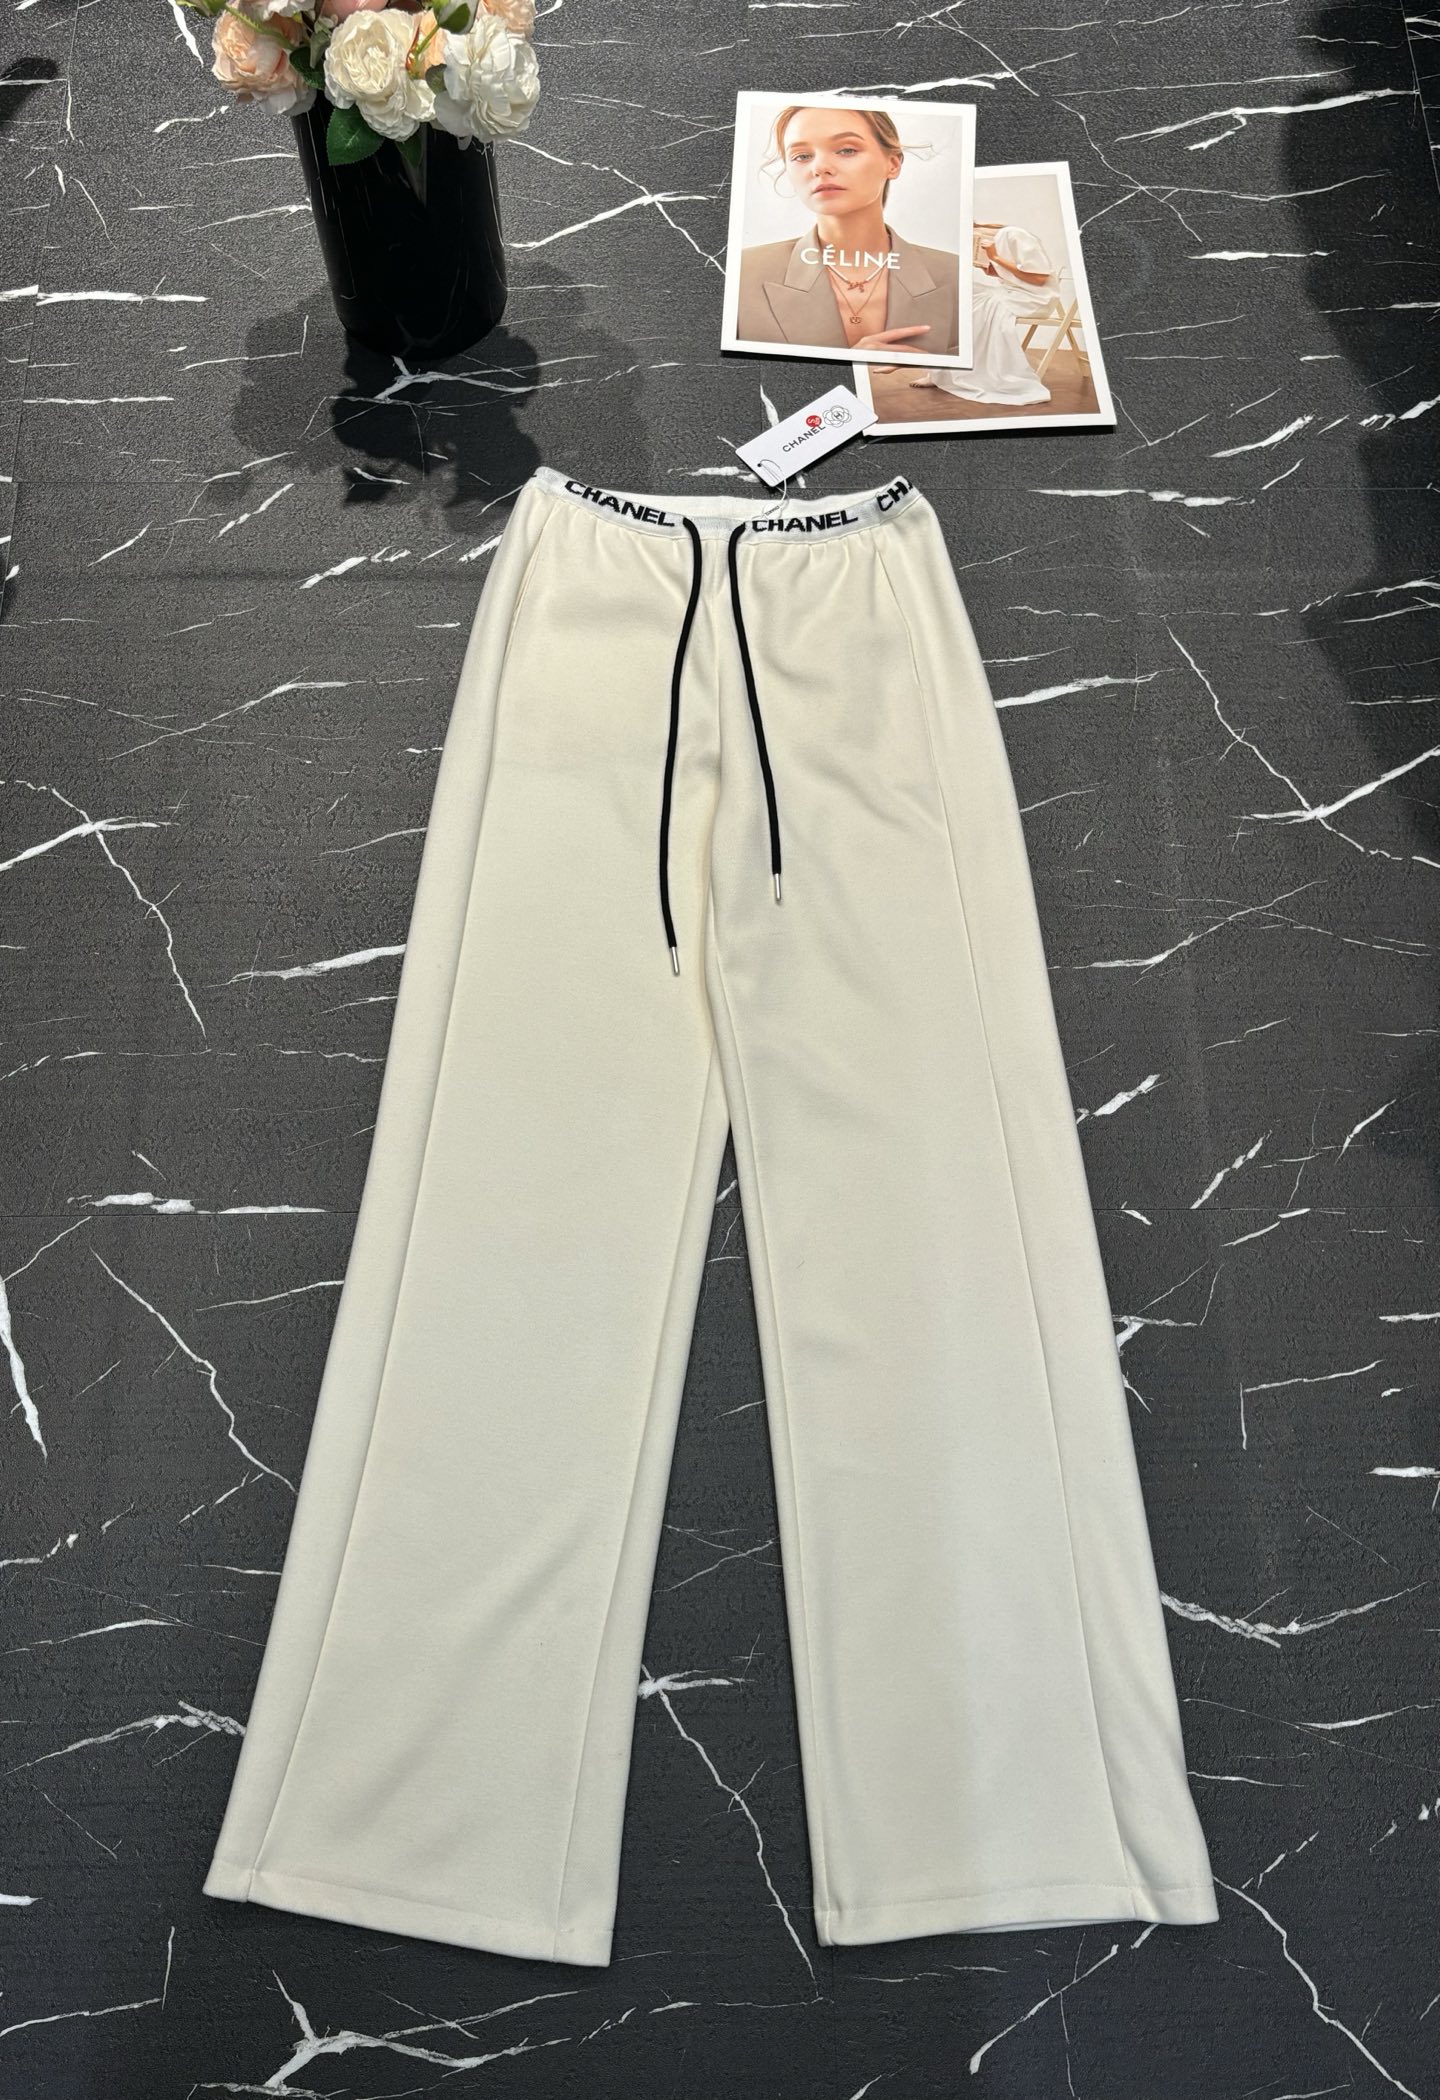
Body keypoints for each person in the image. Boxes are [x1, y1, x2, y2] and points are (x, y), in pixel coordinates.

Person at [735, 103, 962, 358]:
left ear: (893, 164)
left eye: (846, 150)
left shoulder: (957, 277)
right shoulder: (740, 275)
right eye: (801, 156)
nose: (820, 168)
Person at [909, 218, 1059, 404]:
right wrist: (993, 271)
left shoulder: (1014, 235)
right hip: (1014, 292)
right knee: (957, 296)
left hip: (1035, 299)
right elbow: (1015, 276)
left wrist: (996, 258)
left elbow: (1039, 279)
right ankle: (939, 372)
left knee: (972, 308)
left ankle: (947, 372)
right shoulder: (999, 238)